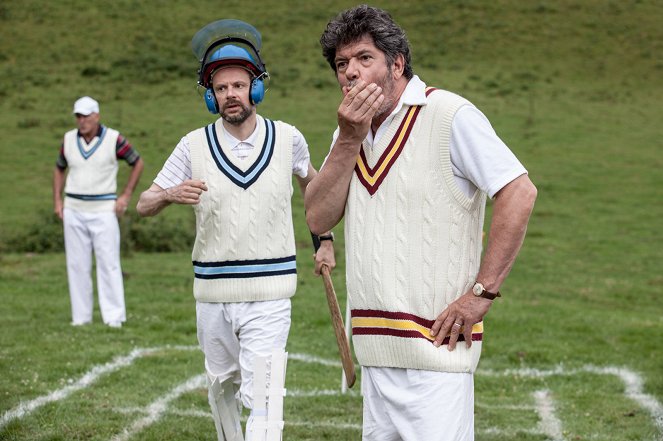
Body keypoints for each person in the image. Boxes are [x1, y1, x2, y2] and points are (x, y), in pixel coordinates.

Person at [305, 5, 537, 440]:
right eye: (341, 64)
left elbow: (519, 192)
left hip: (437, 352)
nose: (349, 73)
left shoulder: (450, 115)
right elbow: (317, 216)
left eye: (363, 59)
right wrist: (350, 139)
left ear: (397, 64)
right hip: (375, 349)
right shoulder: (347, 133)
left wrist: (481, 295)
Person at [136, 19, 334, 441]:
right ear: (211, 95)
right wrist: (171, 193)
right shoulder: (192, 145)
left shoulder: (288, 139)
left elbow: (315, 192)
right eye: (221, 88)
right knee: (222, 385)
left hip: (271, 290)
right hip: (212, 292)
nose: (231, 95)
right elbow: (143, 204)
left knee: (265, 398)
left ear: (256, 87)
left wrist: (326, 241)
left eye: (239, 86)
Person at [53, 96, 144, 328]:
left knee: (108, 263)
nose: (81, 120)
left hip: (104, 209)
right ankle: (81, 318)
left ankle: (114, 318)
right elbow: (59, 167)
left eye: (85, 116)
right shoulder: (68, 139)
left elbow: (137, 162)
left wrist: (125, 195)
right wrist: (57, 201)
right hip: (73, 207)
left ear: (96, 116)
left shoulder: (113, 139)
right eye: (78, 116)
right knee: (77, 264)